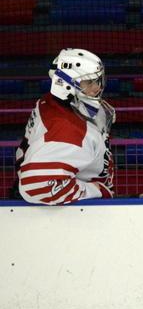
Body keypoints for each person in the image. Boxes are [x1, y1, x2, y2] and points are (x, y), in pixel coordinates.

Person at [15, 48, 116, 204]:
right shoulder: (69, 132)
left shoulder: (51, 102)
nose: (97, 87)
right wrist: (96, 190)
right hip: (70, 212)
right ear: (65, 85)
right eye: (88, 82)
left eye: (97, 80)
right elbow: (35, 186)